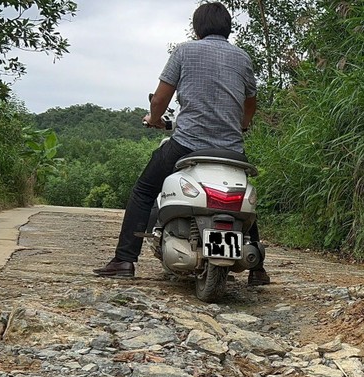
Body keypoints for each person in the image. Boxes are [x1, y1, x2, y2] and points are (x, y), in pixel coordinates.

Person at [93, 1, 270, 286]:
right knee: (239, 195)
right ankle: (257, 269)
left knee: (144, 190)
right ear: (228, 28)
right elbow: (250, 103)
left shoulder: (185, 51)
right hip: (230, 149)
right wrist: (242, 125)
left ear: (197, 28)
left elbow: (160, 99)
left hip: (187, 144)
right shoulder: (242, 58)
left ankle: (124, 260)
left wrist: (153, 117)